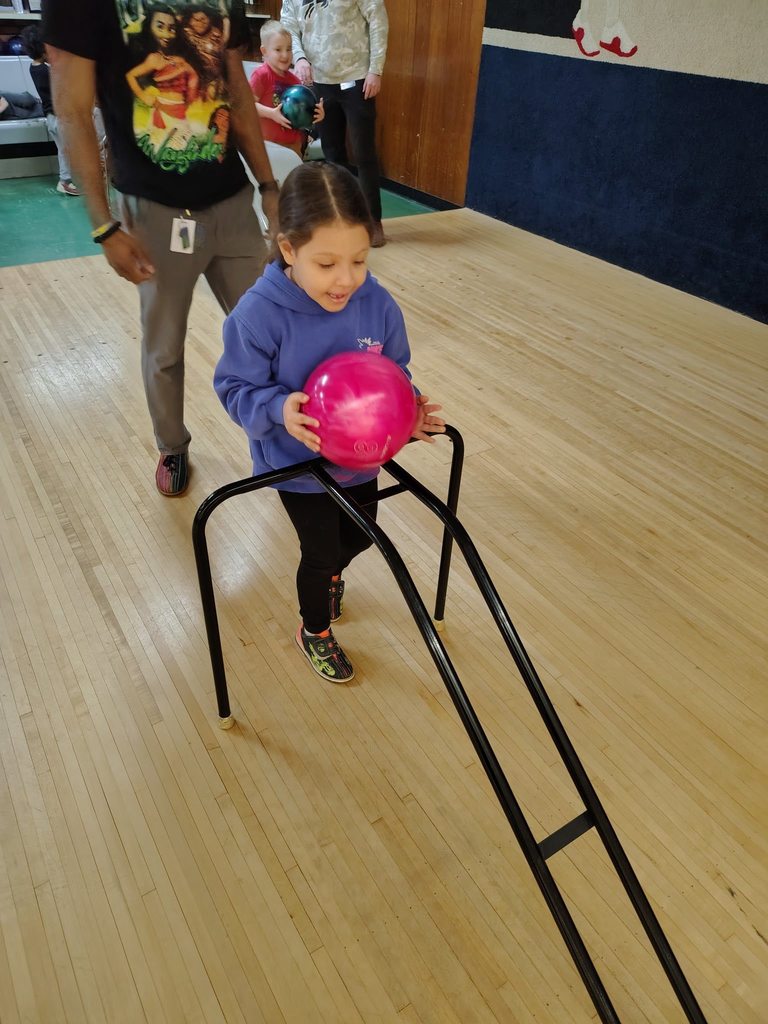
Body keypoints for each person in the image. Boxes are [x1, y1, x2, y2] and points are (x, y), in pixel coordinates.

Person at [213, 161, 444, 682]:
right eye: (326, 264)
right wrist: (279, 409)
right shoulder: (256, 316)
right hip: (296, 465)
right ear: (288, 250)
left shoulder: (376, 302)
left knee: (360, 538)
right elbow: (234, 389)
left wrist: (408, 411)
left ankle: (333, 573)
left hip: (361, 462)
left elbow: (395, 370)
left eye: (358, 260)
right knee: (319, 555)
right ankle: (313, 629)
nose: (345, 280)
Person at [42, 0, 280, 497]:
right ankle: (172, 446)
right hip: (152, 210)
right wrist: (103, 225)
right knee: (164, 345)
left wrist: (269, 186)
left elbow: (233, 84)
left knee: (271, 333)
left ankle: (279, 441)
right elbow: (71, 108)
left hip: (232, 201)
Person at [280, 0, 388, 247]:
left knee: (364, 153)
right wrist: (299, 57)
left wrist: (376, 70)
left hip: (358, 78)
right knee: (332, 154)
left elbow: (378, 19)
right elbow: (289, 25)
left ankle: (373, 220)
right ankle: (343, 220)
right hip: (319, 79)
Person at [18, 24, 80, 195]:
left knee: (63, 150)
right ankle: (65, 181)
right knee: (68, 150)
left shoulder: (34, 67)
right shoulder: (47, 71)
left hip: (50, 117)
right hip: (60, 117)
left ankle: (65, 180)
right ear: (43, 49)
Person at [249, 19, 323, 158]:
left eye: (289, 49)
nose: (285, 55)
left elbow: (304, 114)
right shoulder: (261, 75)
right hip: (268, 146)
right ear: (264, 51)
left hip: (293, 146)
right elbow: (248, 106)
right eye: (278, 50)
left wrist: (317, 114)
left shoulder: (295, 81)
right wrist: (271, 113)